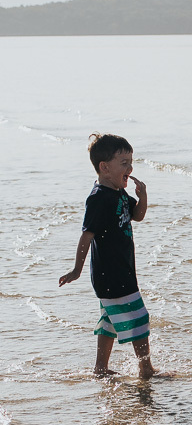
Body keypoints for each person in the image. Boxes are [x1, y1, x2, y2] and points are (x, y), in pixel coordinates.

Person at [59, 133, 160, 379]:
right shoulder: (99, 198)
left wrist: (143, 197)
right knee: (138, 318)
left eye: (131, 161)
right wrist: (77, 270)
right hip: (111, 272)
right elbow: (87, 235)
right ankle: (145, 369)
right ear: (104, 168)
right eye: (123, 162)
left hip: (119, 269)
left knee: (109, 321)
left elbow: (136, 216)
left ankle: (100, 369)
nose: (130, 167)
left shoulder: (118, 192)